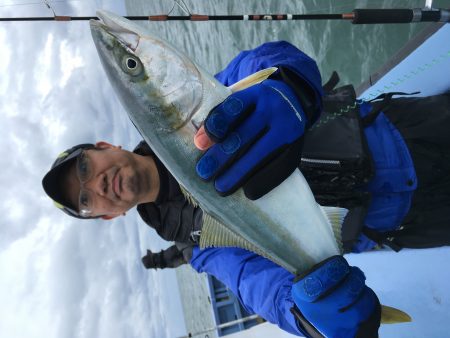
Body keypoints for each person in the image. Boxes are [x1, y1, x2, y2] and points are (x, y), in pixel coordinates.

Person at [41, 40, 449, 336]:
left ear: (104, 147)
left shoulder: (195, 117)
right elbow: (258, 287)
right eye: (85, 199)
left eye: (84, 166)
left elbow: (261, 62)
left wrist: (287, 83)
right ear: (109, 215)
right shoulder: (200, 247)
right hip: (407, 222)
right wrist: (306, 317)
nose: (97, 183)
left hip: (400, 131)